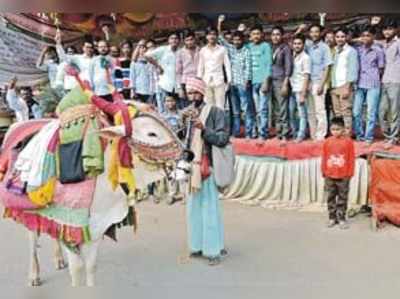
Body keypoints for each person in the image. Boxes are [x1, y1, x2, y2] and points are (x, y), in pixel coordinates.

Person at [184, 77, 229, 266]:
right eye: (189, 93)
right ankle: (197, 246)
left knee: (210, 208)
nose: (192, 96)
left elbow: (222, 138)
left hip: (207, 165)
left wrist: (204, 129)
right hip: (192, 166)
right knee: (193, 208)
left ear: (202, 93)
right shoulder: (187, 113)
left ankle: (213, 250)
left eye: (195, 93)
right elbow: (183, 142)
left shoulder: (216, 112)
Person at [218, 26, 253, 138]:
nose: (237, 42)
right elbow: (220, 38)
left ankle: (249, 132)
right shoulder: (231, 49)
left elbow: (248, 66)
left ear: (242, 40)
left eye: (239, 39)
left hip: (242, 84)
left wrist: (247, 80)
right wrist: (220, 24)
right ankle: (236, 132)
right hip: (232, 84)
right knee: (236, 111)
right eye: (235, 40)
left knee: (246, 109)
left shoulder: (246, 50)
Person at [353, 25, 385, 145]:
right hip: (359, 84)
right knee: (356, 112)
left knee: (371, 112)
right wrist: (358, 40)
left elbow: (381, 68)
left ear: (373, 37)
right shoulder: (358, 49)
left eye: (368, 35)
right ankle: (360, 135)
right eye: (363, 35)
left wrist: (376, 79)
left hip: (373, 84)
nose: (365, 38)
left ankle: (368, 137)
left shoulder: (378, 50)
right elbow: (349, 40)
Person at [321, 117, 355, 229]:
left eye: (338, 129)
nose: (335, 132)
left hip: (343, 176)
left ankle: (341, 218)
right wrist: (323, 171)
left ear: (343, 129)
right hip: (330, 175)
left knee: (342, 198)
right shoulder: (327, 142)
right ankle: (332, 217)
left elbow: (351, 158)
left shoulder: (348, 142)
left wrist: (350, 173)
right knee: (330, 197)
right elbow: (324, 157)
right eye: (333, 129)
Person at [305, 24, 333, 141]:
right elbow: (294, 40)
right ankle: (313, 134)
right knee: (310, 110)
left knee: (320, 110)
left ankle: (321, 135)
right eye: (312, 32)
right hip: (309, 82)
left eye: (316, 32)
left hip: (319, 82)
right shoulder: (309, 46)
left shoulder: (324, 47)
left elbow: (327, 67)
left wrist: (322, 84)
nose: (314, 34)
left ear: (321, 33)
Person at [330, 27, 359, 137]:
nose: (340, 39)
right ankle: (339, 135)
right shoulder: (334, 50)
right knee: (337, 113)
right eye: (337, 37)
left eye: (342, 36)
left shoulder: (351, 51)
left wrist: (348, 87)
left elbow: (353, 70)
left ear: (346, 37)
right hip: (335, 85)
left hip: (345, 85)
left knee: (346, 112)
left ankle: (347, 135)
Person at [246, 24, 273, 140]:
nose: (256, 36)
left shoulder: (266, 46)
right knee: (255, 110)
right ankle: (255, 131)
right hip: (252, 83)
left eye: (258, 33)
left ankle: (263, 133)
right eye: (253, 34)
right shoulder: (248, 46)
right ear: (250, 36)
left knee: (263, 109)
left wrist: (266, 81)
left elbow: (269, 65)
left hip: (262, 82)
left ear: (262, 34)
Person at [145, 32, 180, 113]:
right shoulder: (163, 49)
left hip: (177, 85)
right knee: (164, 109)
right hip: (165, 84)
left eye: (176, 38)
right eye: (172, 38)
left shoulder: (180, 51)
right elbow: (147, 55)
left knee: (177, 109)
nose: (174, 40)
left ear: (179, 40)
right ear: (168, 40)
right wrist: (158, 66)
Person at [197, 27, 231, 109]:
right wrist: (199, 79)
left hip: (219, 80)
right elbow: (201, 66)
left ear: (217, 36)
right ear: (206, 36)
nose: (211, 36)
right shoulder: (203, 50)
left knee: (220, 105)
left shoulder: (222, 49)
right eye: (209, 34)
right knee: (209, 106)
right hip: (206, 81)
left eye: (214, 34)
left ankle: (220, 122)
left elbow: (227, 65)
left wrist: (229, 80)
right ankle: (211, 122)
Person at [379, 19, 400, 148]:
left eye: (390, 29)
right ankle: (388, 136)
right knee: (381, 112)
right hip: (385, 81)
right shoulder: (383, 43)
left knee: (394, 111)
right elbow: (363, 40)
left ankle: (394, 137)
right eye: (385, 29)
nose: (387, 31)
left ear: (396, 30)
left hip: (396, 81)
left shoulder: (398, 43)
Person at [270, 26, 293, 142]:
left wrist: (285, 83)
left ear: (282, 36)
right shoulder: (270, 48)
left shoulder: (285, 48)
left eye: (278, 34)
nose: (275, 37)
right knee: (275, 109)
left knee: (283, 108)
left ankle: (285, 134)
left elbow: (289, 67)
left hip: (281, 81)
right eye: (273, 34)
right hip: (270, 81)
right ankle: (278, 133)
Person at [290, 34, 311, 143]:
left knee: (302, 114)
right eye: (295, 43)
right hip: (292, 88)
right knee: (291, 112)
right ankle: (295, 132)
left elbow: (307, 76)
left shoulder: (306, 58)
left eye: (299, 44)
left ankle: (301, 135)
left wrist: (303, 93)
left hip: (300, 89)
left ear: (303, 45)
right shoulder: (292, 55)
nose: (297, 46)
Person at [176, 30, 200, 109]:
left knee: (199, 107)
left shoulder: (200, 50)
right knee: (187, 108)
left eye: (191, 39)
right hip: (186, 84)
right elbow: (178, 72)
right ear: (184, 41)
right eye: (187, 40)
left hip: (199, 82)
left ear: (195, 39)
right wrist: (180, 88)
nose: (189, 42)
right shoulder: (180, 52)